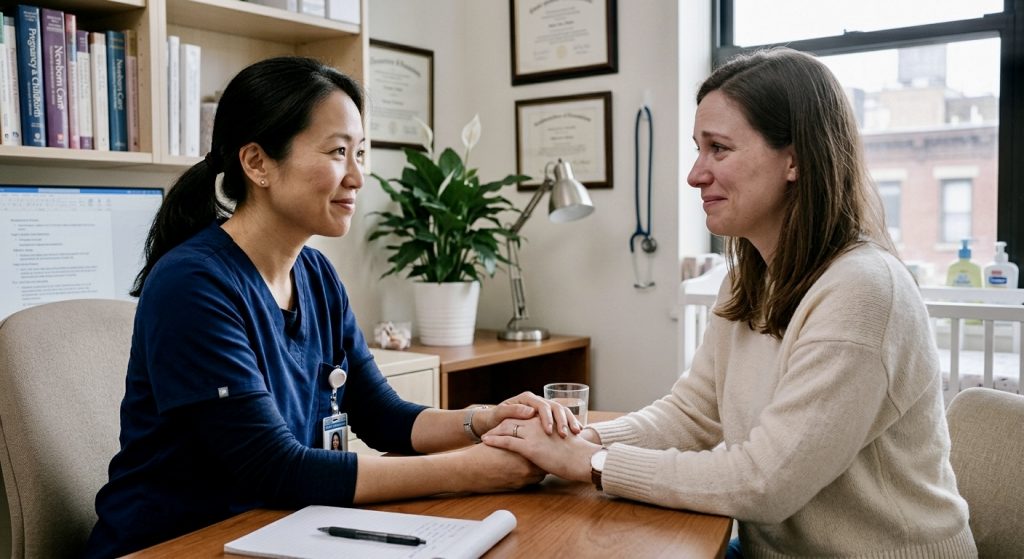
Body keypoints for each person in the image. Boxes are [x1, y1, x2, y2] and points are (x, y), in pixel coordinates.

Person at [484, 48, 977, 558]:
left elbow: (765, 482)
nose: (695, 175)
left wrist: (589, 464)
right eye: (699, 149)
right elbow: (693, 414)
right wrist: (583, 438)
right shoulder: (748, 279)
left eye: (719, 149)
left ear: (796, 159)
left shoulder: (864, 290)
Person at [84, 56, 579, 558]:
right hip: (175, 545)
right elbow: (275, 467)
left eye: (360, 153)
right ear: (256, 163)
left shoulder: (316, 275)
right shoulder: (193, 284)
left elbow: (382, 416)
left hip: (280, 534)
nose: (358, 177)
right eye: (338, 152)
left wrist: (482, 419)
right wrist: (472, 470)